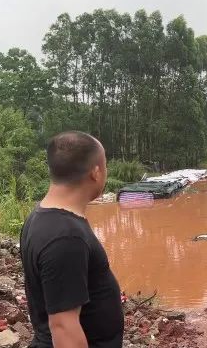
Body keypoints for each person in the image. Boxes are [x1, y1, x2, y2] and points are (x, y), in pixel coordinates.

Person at [20, 131, 124, 348]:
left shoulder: (42, 216)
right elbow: (63, 327)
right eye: (105, 166)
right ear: (96, 172)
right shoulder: (66, 237)